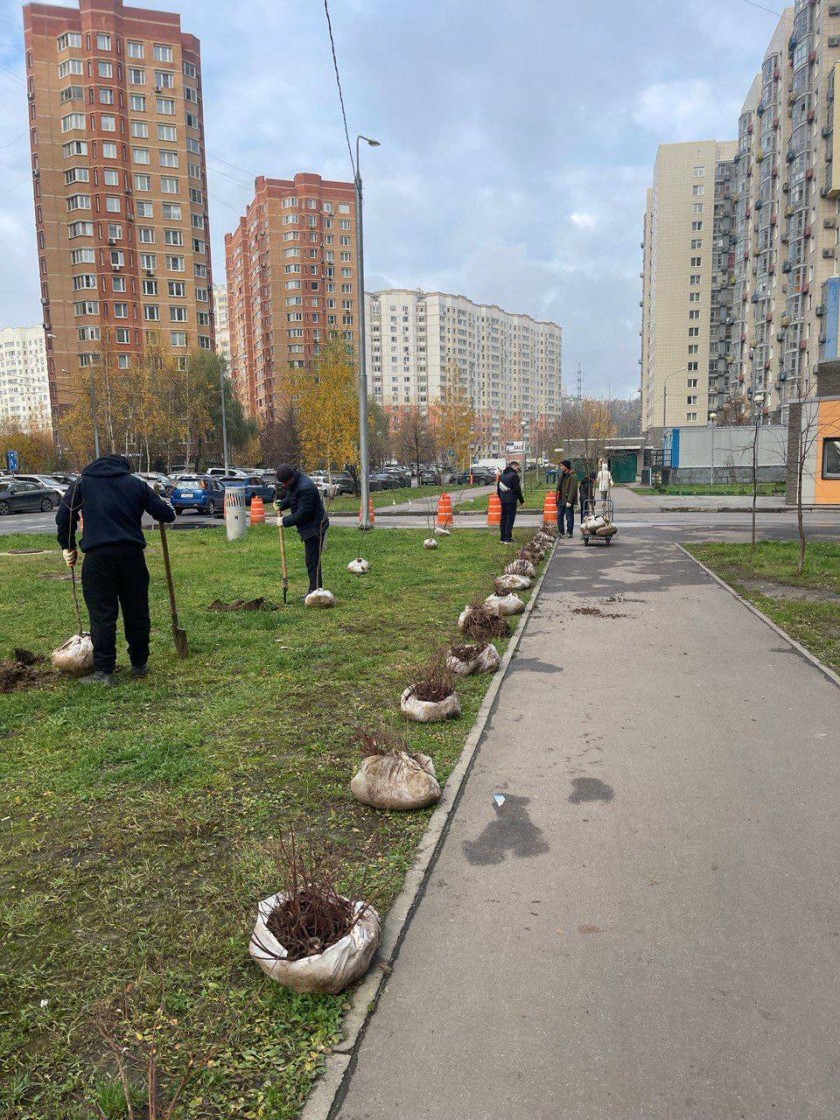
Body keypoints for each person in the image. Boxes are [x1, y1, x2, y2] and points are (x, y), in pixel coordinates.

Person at [56, 454, 176, 686]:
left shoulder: (82, 483)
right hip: (132, 557)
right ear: (124, 467)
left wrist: (67, 545)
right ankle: (139, 664)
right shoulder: (135, 484)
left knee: (102, 615)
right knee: (137, 611)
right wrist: (160, 500)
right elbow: (166, 514)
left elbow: (64, 516)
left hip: (98, 559)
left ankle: (104, 671)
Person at [274, 464, 329, 596]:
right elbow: (292, 498)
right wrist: (282, 504)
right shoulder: (295, 482)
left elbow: (303, 513)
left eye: (285, 482)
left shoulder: (305, 488)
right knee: (311, 561)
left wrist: (284, 521)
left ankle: (315, 591)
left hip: (316, 527)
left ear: (291, 478)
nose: (284, 485)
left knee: (313, 561)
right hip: (310, 526)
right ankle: (315, 589)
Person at [497, 460, 525, 543]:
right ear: (514, 466)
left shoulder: (502, 475)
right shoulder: (514, 476)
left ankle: (502, 538)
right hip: (511, 500)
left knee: (503, 518)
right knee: (510, 519)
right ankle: (508, 539)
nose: (518, 469)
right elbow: (517, 489)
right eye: (518, 467)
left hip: (503, 500)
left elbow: (498, 488)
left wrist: (501, 498)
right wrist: (521, 501)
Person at [556, 460, 579, 538]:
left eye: (562, 466)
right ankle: (561, 532)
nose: (561, 467)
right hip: (560, 499)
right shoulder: (561, 475)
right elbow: (558, 487)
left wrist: (569, 501)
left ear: (566, 466)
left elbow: (572, 490)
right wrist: (556, 498)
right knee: (559, 515)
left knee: (569, 516)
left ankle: (569, 532)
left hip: (568, 500)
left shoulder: (573, 476)